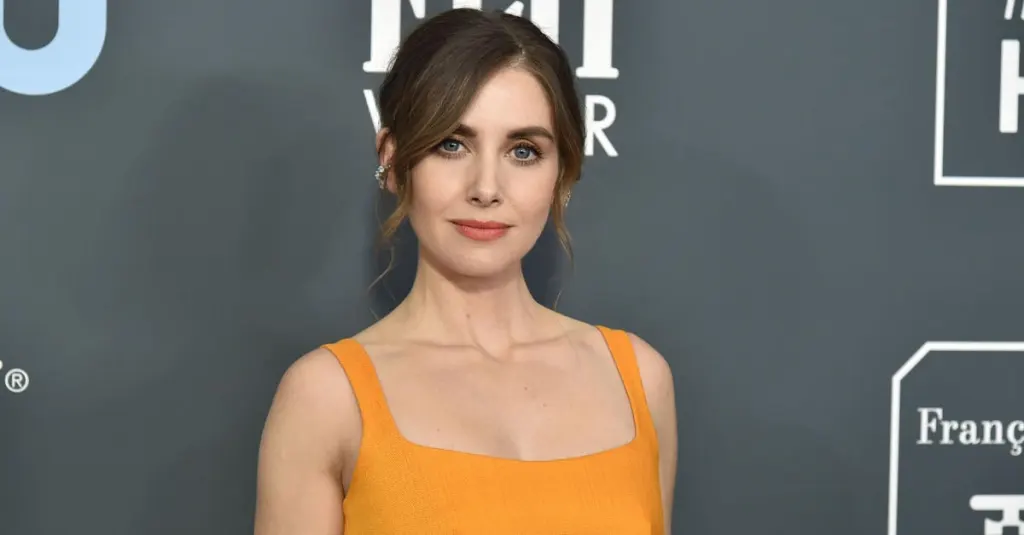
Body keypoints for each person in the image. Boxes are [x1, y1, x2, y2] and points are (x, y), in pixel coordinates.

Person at [253, 8, 677, 534]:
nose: (486, 188)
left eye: (523, 151)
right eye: (451, 145)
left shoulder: (639, 380)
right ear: (393, 159)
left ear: (562, 172)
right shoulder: (326, 397)